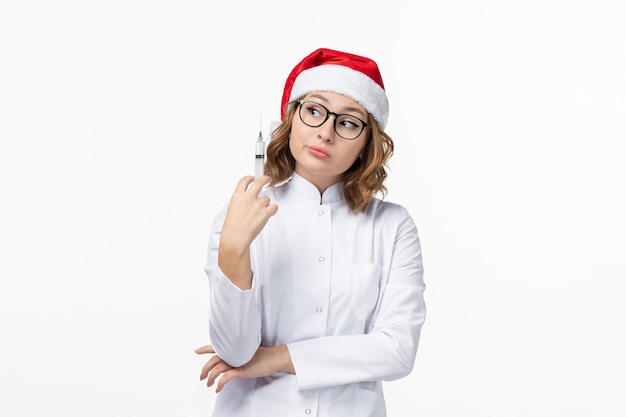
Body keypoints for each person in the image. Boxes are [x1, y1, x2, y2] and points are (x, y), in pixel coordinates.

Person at [195, 47, 426, 417]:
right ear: (292, 118)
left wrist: (280, 358)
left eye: (348, 122)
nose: (325, 133)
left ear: (369, 142)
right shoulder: (241, 214)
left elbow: (397, 350)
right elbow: (235, 352)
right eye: (314, 111)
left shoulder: (392, 226)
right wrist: (233, 250)